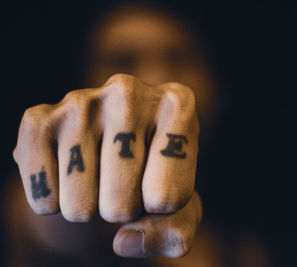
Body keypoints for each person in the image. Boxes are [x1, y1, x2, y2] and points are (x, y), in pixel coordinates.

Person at [4, 2, 268, 266]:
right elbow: (44, 224)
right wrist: (65, 210)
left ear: (216, 88)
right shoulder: (33, 202)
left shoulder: (243, 245)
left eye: (177, 58)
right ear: (83, 85)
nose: (155, 79)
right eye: (123, 61)